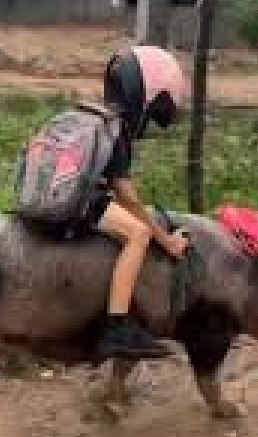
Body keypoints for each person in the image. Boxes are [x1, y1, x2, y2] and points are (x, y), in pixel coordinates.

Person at [92, 46, 190, 359]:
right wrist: (167, 241)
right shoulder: (117, 126)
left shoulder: (95, 115)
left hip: (54, 194)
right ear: (147, 92)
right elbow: (126, 195)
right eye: (157, 107)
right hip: (79, 202)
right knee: (139, 234)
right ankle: (117, 327)